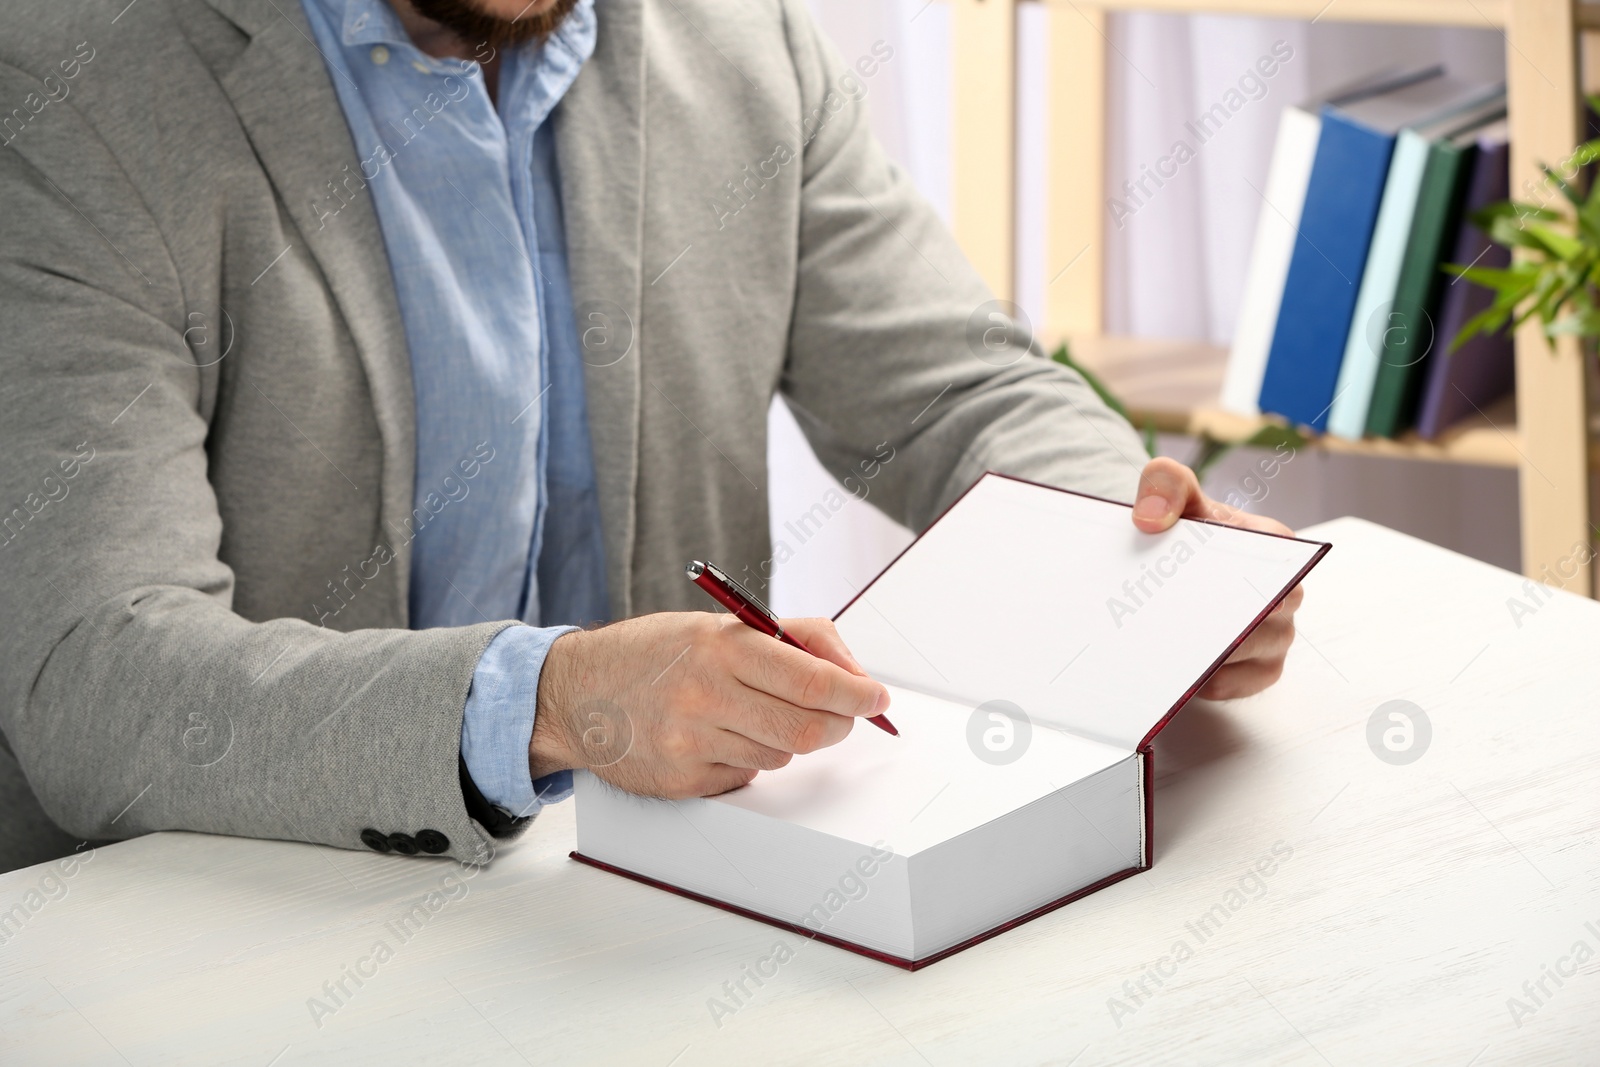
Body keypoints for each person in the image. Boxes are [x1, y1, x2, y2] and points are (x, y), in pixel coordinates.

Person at [0, 0, 1302, 873]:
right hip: (218, 928)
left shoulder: (738, 38)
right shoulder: (63, 79)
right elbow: (99, 674)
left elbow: (950, 388)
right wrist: (548, 703)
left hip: (654, 913)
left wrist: (1146, 561)